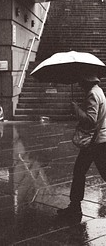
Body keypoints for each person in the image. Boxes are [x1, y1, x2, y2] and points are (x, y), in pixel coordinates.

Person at [57, 74, 106, 218]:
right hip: (100, 140)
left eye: (81, 82)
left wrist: (77, 109)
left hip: (94, 142)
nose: (79, 85)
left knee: (79, 172)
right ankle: (74, 206)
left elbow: (91, 120)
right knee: (83, 171)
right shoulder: (99, 91)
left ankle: (74, 208)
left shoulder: (92, 94)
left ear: (86, 81)